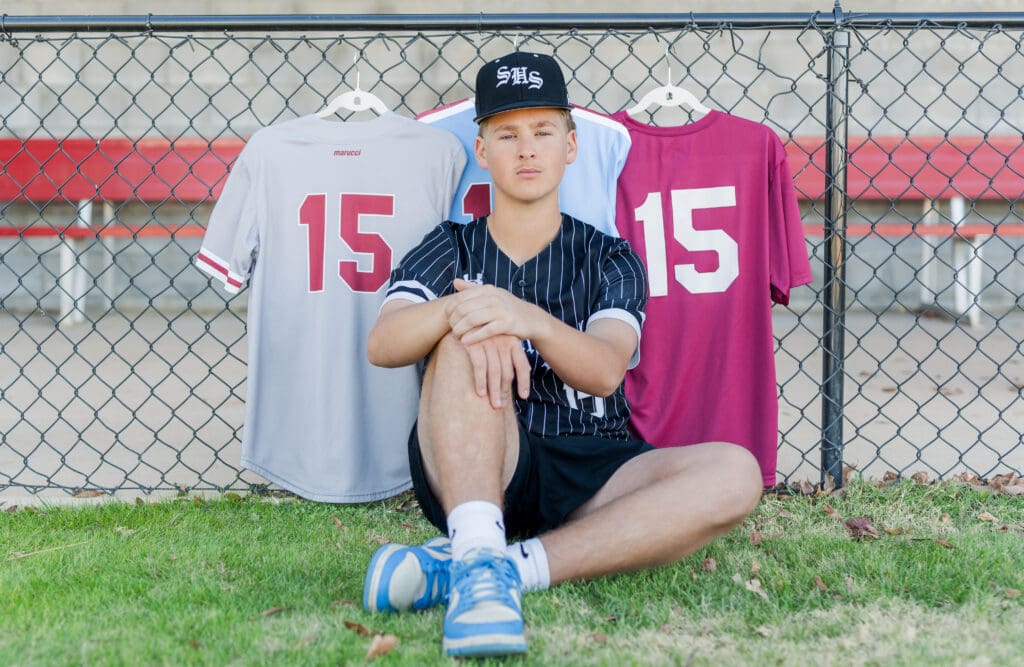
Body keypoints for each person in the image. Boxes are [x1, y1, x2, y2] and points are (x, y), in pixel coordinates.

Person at [362, 51, 763, 658]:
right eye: (508, 134)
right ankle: (477, 542)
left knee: (736, 473)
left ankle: (491, 569)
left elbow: (604, 369)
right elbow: (383, 342)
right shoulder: (450, 246)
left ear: (570, 146)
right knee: (460, 340)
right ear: (482, 150)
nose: (527, 149)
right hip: (481, 457)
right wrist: (461, 314)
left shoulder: (609, 256)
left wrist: (526, 318)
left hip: (595, 461)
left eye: (543, 131)